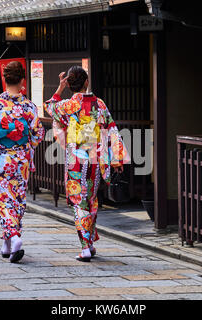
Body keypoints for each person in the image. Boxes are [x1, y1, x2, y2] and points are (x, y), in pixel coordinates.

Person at [44, 66, 130, 262]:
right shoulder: (99, 104)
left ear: (71, 85)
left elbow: (50, 107)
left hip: (76, 160)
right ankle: (90, 244)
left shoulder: (68, 105)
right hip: (96, 160)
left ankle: (84, 248)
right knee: (91, 200)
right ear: (86, 82)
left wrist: (59, 89)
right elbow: (112, 129)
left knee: (78, 201)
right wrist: (116, 159)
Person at [0, 61, 44, 263]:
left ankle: (14, 237)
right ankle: (7, 244)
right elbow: (38, 134)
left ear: (4, 79)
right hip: (21, 160)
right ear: (22, 80)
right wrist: (23, 144)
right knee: (17, 199)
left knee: (4, 200)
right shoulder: (29, 106)